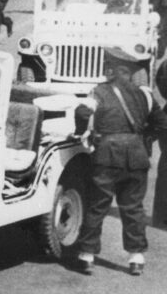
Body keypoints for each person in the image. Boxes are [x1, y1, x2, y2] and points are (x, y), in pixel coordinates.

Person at [74, 47, 167, 276]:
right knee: (133, 207)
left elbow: (83, 113)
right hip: (137, 157)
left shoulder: (99, 92)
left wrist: (79, 132)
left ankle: (87, 254)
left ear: (113, 70)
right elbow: (162, 123)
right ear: (132, 72)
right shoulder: (145, 94)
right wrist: (144, 139)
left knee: (98, 205)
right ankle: (136, 257)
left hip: (107, 155)